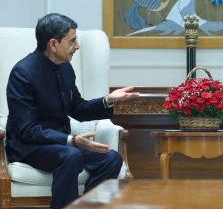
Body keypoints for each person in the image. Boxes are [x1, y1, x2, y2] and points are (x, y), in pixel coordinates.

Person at [5, 13, 140, 208]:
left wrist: (107, 100)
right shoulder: (23, 73)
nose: (77, 46)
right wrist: (72, 141)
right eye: (72, 41)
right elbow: (27, 130)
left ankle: (85, 206)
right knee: (71, 155)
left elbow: (77, 108)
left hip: (60, 143)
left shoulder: (65, 68)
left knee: (111, 158)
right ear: (53, 44)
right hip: (28, 146)